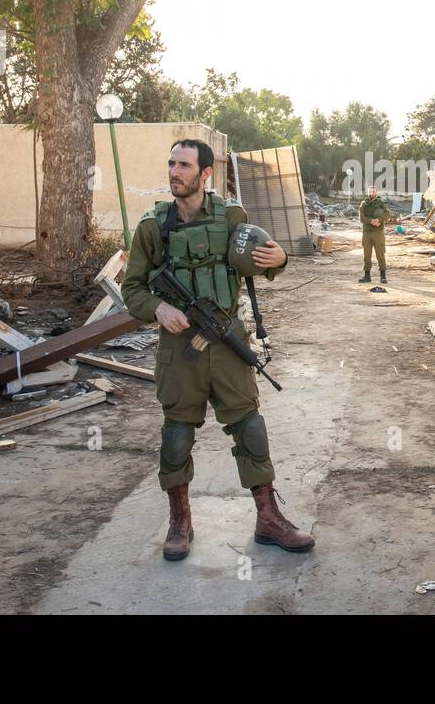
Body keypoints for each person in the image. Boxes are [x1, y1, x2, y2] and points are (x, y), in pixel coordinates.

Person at [120, 138, 315, 561]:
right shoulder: (153, 228)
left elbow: (265, 260)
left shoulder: (232, 218)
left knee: (249, 426)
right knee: (177, 433)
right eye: (171, 163)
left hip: (226, 341)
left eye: (184, 165)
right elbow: (131, 289)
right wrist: (159, 307)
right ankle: (180, 521)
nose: (174, 171)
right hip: (179, 349)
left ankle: (268, 517)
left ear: (206, 173)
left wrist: (279, 258)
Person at [357, 184, 391, 285]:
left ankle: (383, 276)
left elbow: (388, 214)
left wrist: (379, 220)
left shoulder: (381, 203)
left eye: (373, 191)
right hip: (367, 232)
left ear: (376, 192)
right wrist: (371, 221)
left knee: (380, 254)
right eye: (370, 191)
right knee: (367, 255)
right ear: (368, 193)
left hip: (378, 233)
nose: (371, 193)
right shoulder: (363, 204)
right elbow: (361, 218)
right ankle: (367, 276)